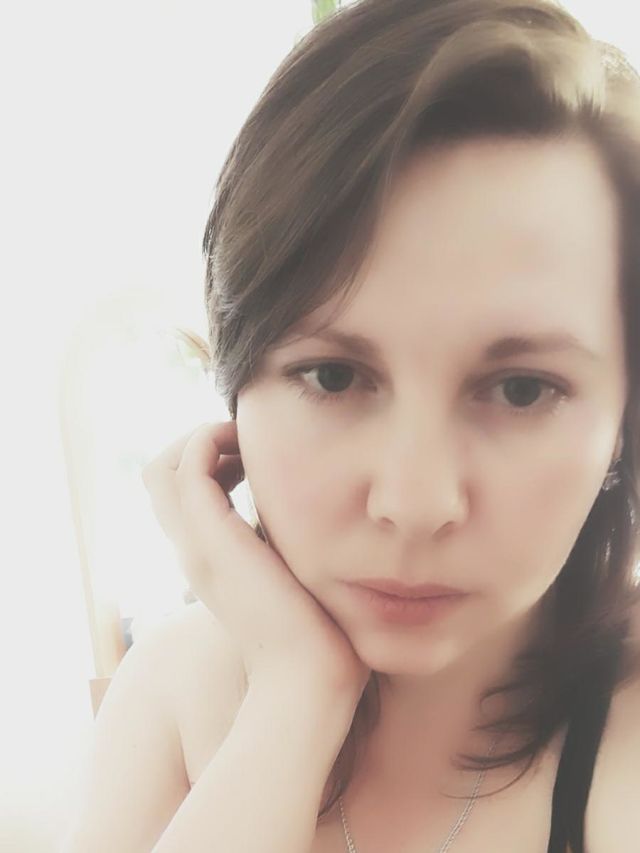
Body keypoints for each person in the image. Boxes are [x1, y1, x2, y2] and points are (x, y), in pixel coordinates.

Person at [61, 1, 640, 851]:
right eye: (332, 375)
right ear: (236, 385)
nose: (414, 503)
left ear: (622, 421)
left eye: (522, 389)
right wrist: (295, 696)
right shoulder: (173, 691)